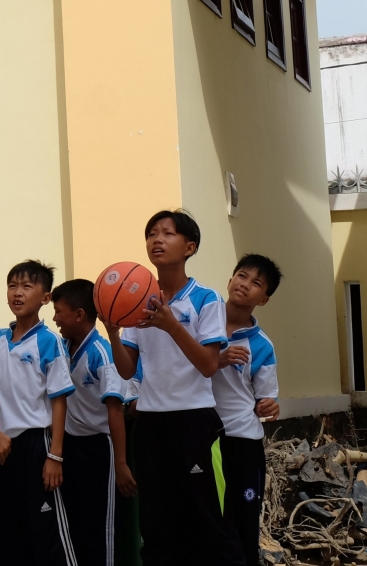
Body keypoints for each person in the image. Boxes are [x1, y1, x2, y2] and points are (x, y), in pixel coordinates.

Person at [106, 211, 243, 566]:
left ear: (189, 247)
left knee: (206, 519)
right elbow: (126, 369)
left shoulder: (205, 299)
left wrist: (172, 326)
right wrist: (113, 332)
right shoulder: (137, 303)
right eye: (151, 233)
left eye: (167, 233)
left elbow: (210, 364)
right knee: (156, 524)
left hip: (193, 421)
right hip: (151, 424)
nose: (157, 239)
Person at [0, 260, 74, 565]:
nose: (17, 293)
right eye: (12, 286)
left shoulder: (50, 342)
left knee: (46, 531)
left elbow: (59, 401)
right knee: (9, 529)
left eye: (27, 287)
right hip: (2, 446)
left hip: (37, 445)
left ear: (45, 297)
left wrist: (55, 456)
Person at [52, 278, 134, 566]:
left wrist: (121, 464)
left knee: (102, 524)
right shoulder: (61, 347)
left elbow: (115, 411)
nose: (54, 318)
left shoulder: (102, 353)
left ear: (79, 314)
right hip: (70, 447)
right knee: (76, 521)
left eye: (59, 311)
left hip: (100, 449)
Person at [213, 256, 282, 566]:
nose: (245, 284)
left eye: (256, 283)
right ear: (229, 281)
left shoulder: (262, 346)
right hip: (198, 436)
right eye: (241, 275)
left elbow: (265, 400)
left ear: (264, 299)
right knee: (205, 519)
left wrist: (269, 405)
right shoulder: (202, 325)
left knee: (242, 522)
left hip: (241, 440)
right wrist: (219, 357)